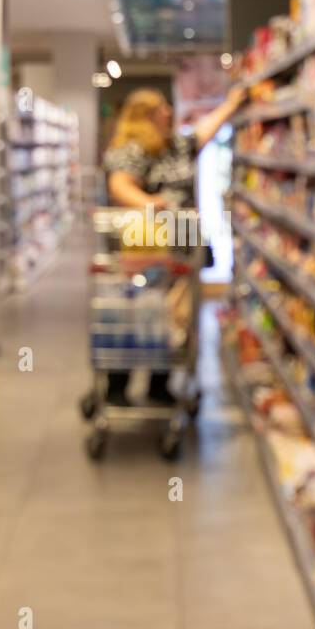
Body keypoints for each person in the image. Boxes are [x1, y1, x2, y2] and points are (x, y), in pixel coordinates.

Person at [101, 85, 246, 405]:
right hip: (145, 249)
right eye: (160, 108)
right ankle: (117, 386)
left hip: (180, 249)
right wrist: (151, 204)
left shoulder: (177, 145)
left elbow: (204, 132)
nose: (168, 111)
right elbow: (119, 185)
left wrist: (232, 103)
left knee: (172, 318)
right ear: (144, 117)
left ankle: (159, 384)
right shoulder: (133, 150)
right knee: (136, 312)